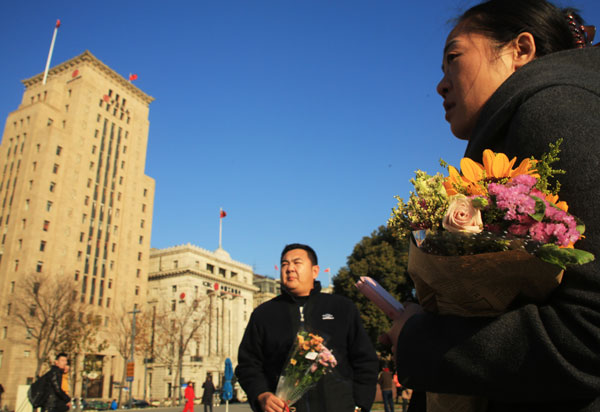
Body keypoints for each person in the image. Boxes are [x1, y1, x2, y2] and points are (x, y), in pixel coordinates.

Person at [383, 0, 600, 411]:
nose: (441, 84)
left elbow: (589, 330)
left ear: (520, 50)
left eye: (453, 58)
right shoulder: (531, 117)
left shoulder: (554, 108)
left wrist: (419, 338)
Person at [236, 243, 379, 412]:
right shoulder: (264, 314)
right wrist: (261, 394)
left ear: (315, 271)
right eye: (284, 264)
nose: (289, 269)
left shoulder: (342, 308)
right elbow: (248, 364)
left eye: (297, 263)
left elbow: (365, 361)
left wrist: (360, 406)